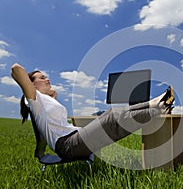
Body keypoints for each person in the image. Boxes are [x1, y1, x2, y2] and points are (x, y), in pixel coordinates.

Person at [11, 63, 174, 160]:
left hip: (74, 138)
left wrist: (52, 94)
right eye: (41, 78)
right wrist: (30, 87)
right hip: (68, 145)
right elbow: (15, 69)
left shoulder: (42, 101)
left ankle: (157, 104)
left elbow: (49, 127)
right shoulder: (32, 98)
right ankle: (159, 108)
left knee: (111, 113)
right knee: (112, 118)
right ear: (31, 85)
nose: (47, 79)